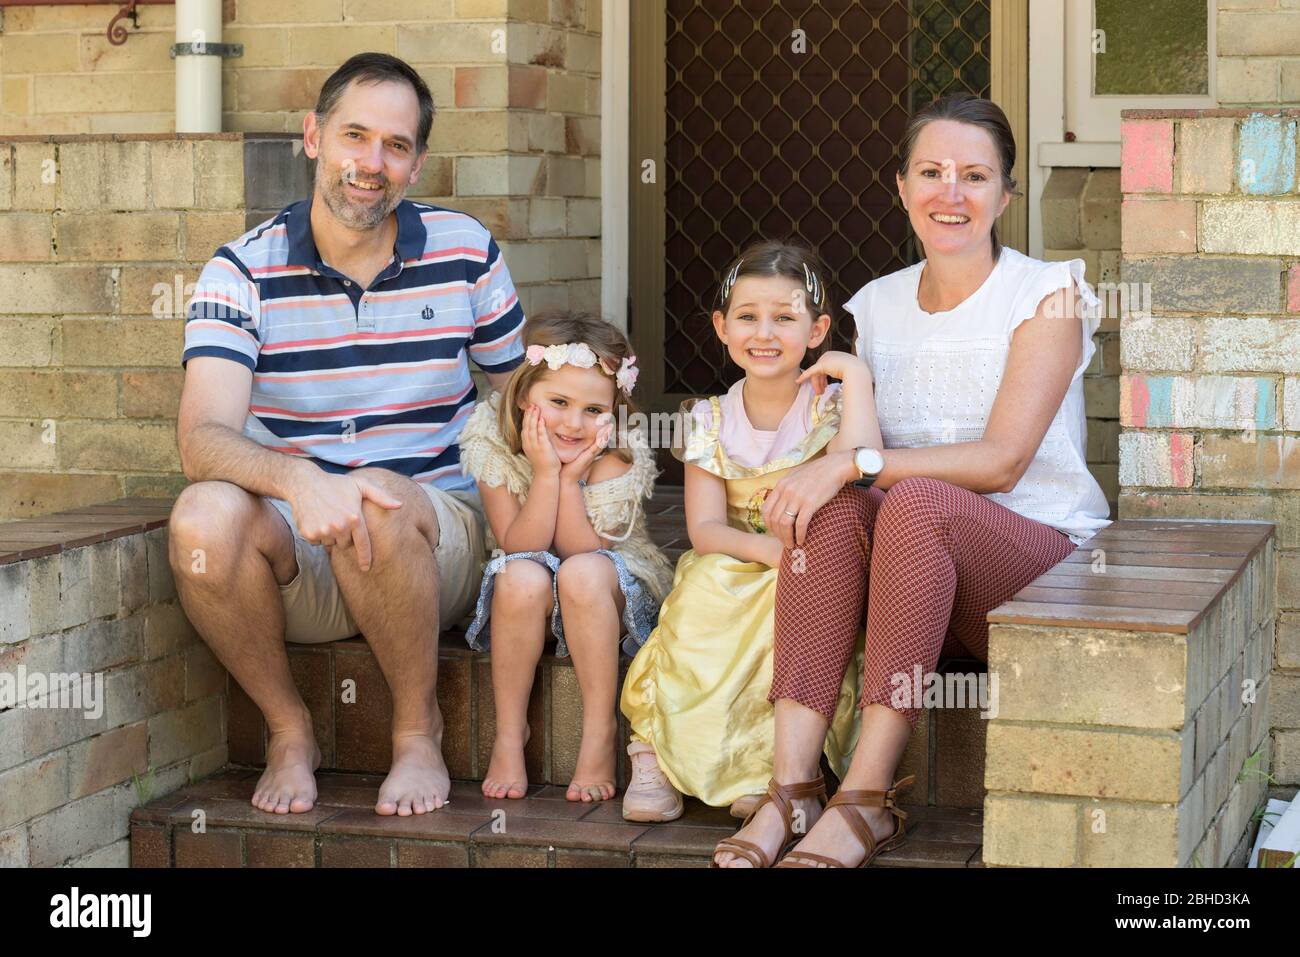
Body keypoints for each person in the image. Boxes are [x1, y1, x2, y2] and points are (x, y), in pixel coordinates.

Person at [714, 93, 1112, 867]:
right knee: (836, 511)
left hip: (1038, 567)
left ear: (1004, 193)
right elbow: (857, 456)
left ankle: (865, 796)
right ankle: (791, 785)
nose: (951, 193)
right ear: (901, 187)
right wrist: (839, 472)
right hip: (922, 575)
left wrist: (854, 466)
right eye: (931, 172)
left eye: (974, 175)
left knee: (914, 498)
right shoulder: (876, 305)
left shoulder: (1046, 295)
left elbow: (1001, 462)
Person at [169, 53, 525, 817]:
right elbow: (201, 438)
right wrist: (300, 480)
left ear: (417, 163)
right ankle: (290, 728)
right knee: (201, 515)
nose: (371, 164)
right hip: (301, 543)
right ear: (312, 136)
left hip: (433, 534)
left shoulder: (465, 252)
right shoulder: (239, 272)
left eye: (395, 146)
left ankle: (415, 730)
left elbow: (520, 401)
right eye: (354, 136)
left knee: (378, 501)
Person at [619, 241, 877, 835]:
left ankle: (763, 772)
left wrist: (855, 376)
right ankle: (654, 754)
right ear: (721, 326)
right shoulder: (706, 418)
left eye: (785, 318)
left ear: (817, 331)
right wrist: (772, 553)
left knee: (790, 607)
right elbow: (705, 530)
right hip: (737, 559)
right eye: (747, 316)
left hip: (818, 564)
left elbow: (865, 466)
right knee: (703, 597)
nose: (765, 333)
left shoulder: (830, 409)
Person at [458, 312, 675, 803]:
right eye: (558, 402)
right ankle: (510, 736)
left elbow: (581, 548)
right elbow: (521, 543)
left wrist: (569, 478)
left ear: (615, 410)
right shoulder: (489, 435)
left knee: (579, 571)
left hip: (609, 579)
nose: (574, 423)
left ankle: (598, 733)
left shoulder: (617, 449)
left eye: (594, 409)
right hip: (530, 567)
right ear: (521, 395)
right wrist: (545, 474)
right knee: (519, 575)